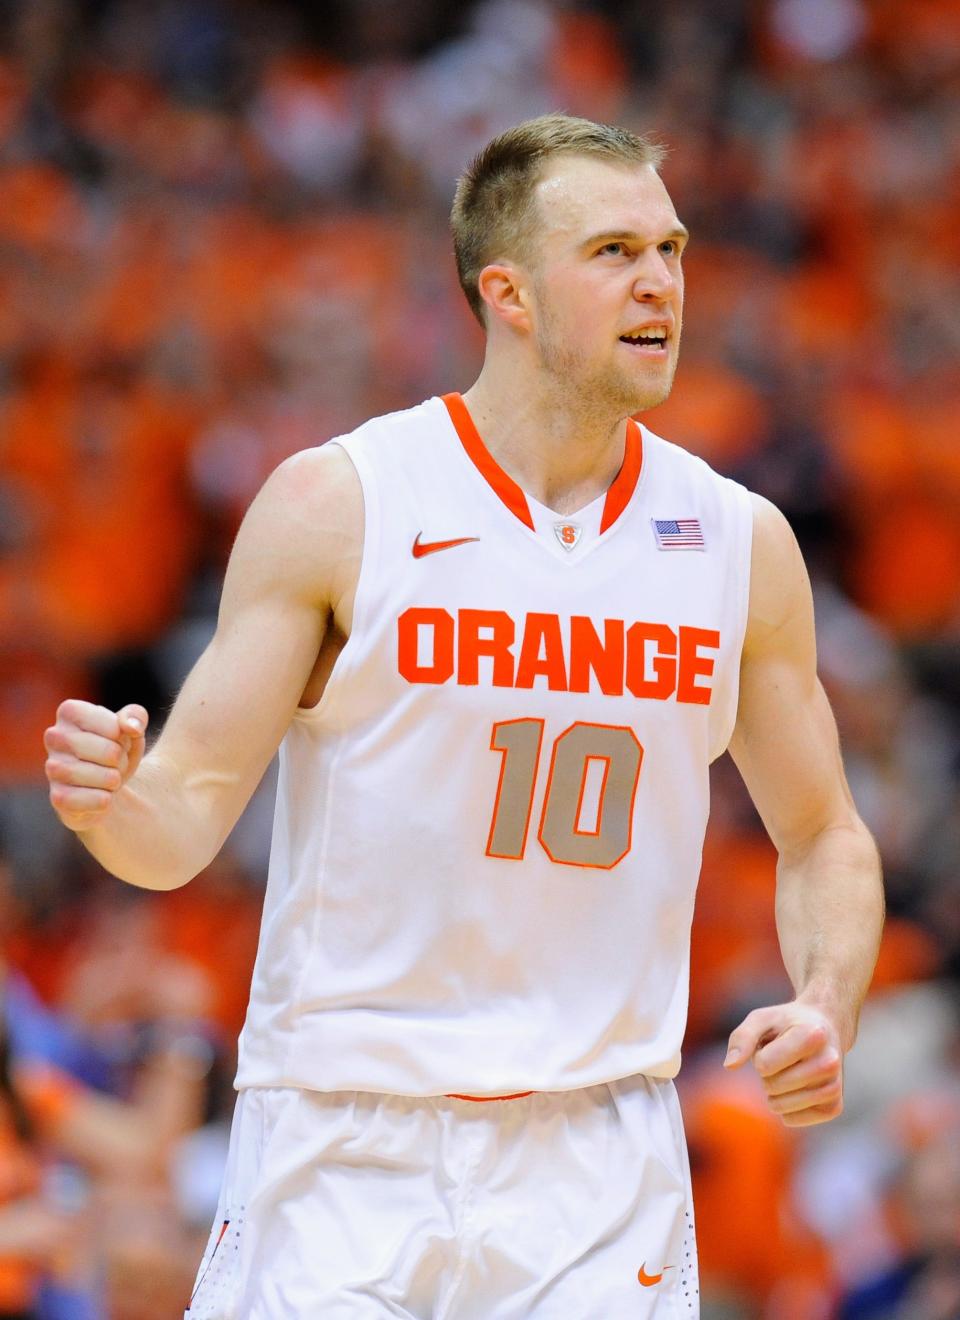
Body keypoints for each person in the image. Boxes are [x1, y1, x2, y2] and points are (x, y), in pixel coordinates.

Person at [43, 114, 884, 1318]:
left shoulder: (738, 541)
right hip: (346, 1136)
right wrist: (112, 799)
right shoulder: (346, 501)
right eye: (612, 252)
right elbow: (177, 825)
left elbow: (827, 837)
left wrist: (825, 1002)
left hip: (601, 1156)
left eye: (673, 247)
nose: (661, 281)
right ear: (511, 293)